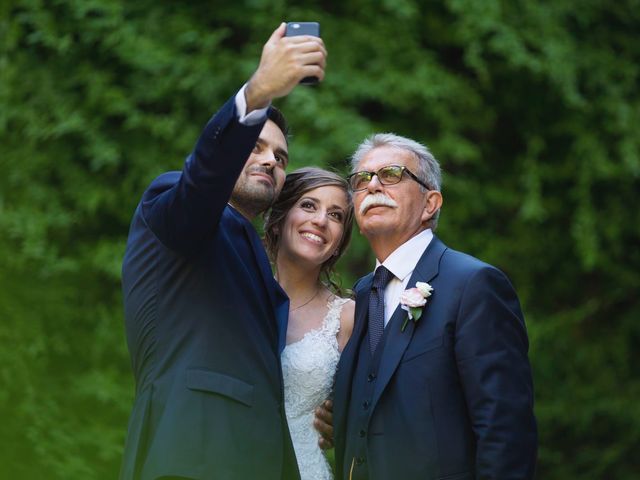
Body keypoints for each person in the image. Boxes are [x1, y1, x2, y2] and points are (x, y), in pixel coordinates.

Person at [120, 24, 326, 480]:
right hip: (191, 456)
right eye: (255, 146)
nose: (272, 160)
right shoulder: (176, 202)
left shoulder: (250, 249)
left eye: (281, 157)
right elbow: (203, 180)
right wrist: (256, 96)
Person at [321, 133, 537, 479]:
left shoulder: (473, 285)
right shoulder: (361, 295)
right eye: (361, 180)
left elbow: (505, 431)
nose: (372, 185)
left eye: (390, 174)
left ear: (430, 203)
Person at [264, 167, 356, 480]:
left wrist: (340, 423)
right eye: (308, 205)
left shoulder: (347, 318)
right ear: (277, 221)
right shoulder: (239, 298)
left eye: (336, 215)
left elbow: (370, 413)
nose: (320, 220)